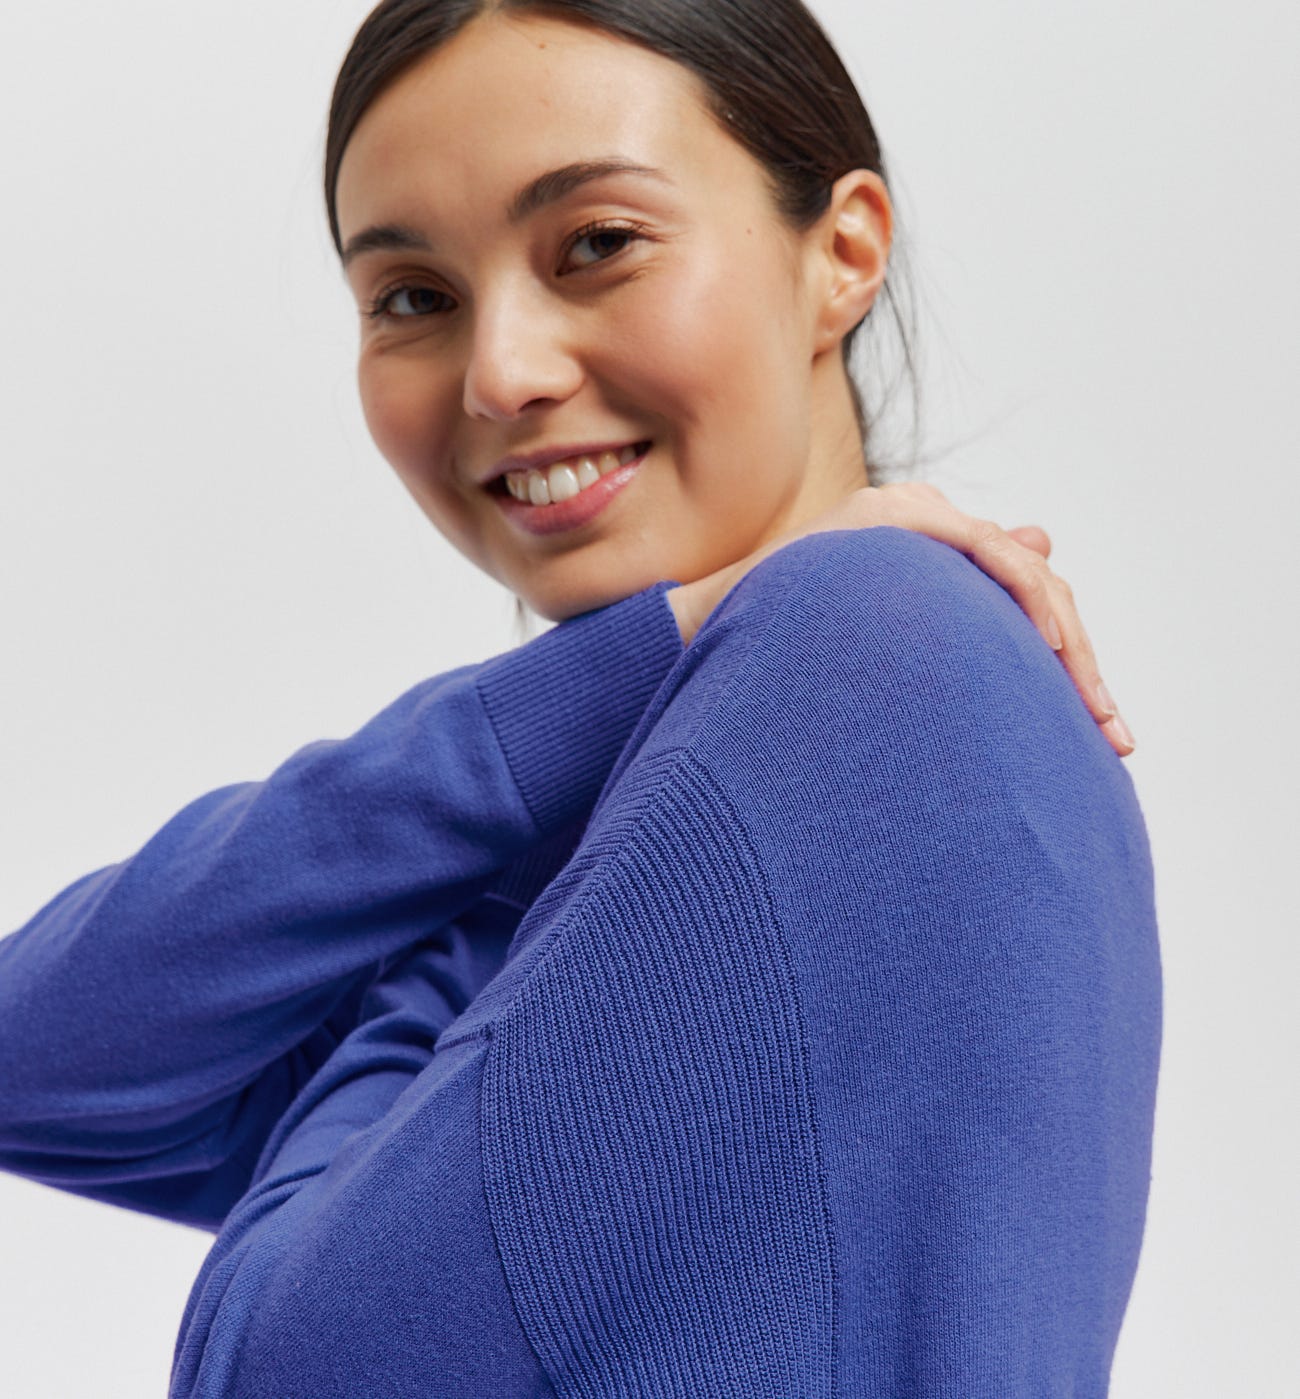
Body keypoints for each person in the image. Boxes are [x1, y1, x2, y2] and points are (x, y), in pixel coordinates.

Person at [0, 1, 1158, 1395]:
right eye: (414, 297)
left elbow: (292, 1368)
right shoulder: (628, 811)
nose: (502, 373)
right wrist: (642, 662)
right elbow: (30, 1057)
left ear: (843, 253)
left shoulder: (881, 657)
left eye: (599, 243)